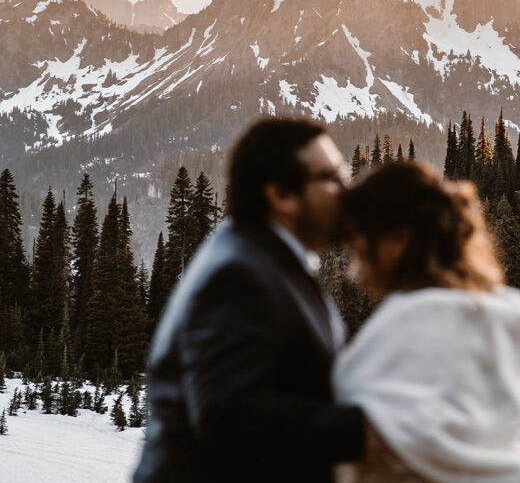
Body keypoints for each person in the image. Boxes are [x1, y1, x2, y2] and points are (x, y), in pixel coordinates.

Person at [134, 117, 369, 483]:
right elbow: (227, 412)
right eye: (332, 176)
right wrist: (366, 429)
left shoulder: (259, 257)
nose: (346, 188)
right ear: (280, 195)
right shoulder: (240, 275)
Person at [333, 160, 520, 483]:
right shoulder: (492, 315)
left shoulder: (420, 320)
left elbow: (386, 434)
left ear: (399, 239)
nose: (354, 250)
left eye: (359, 235)